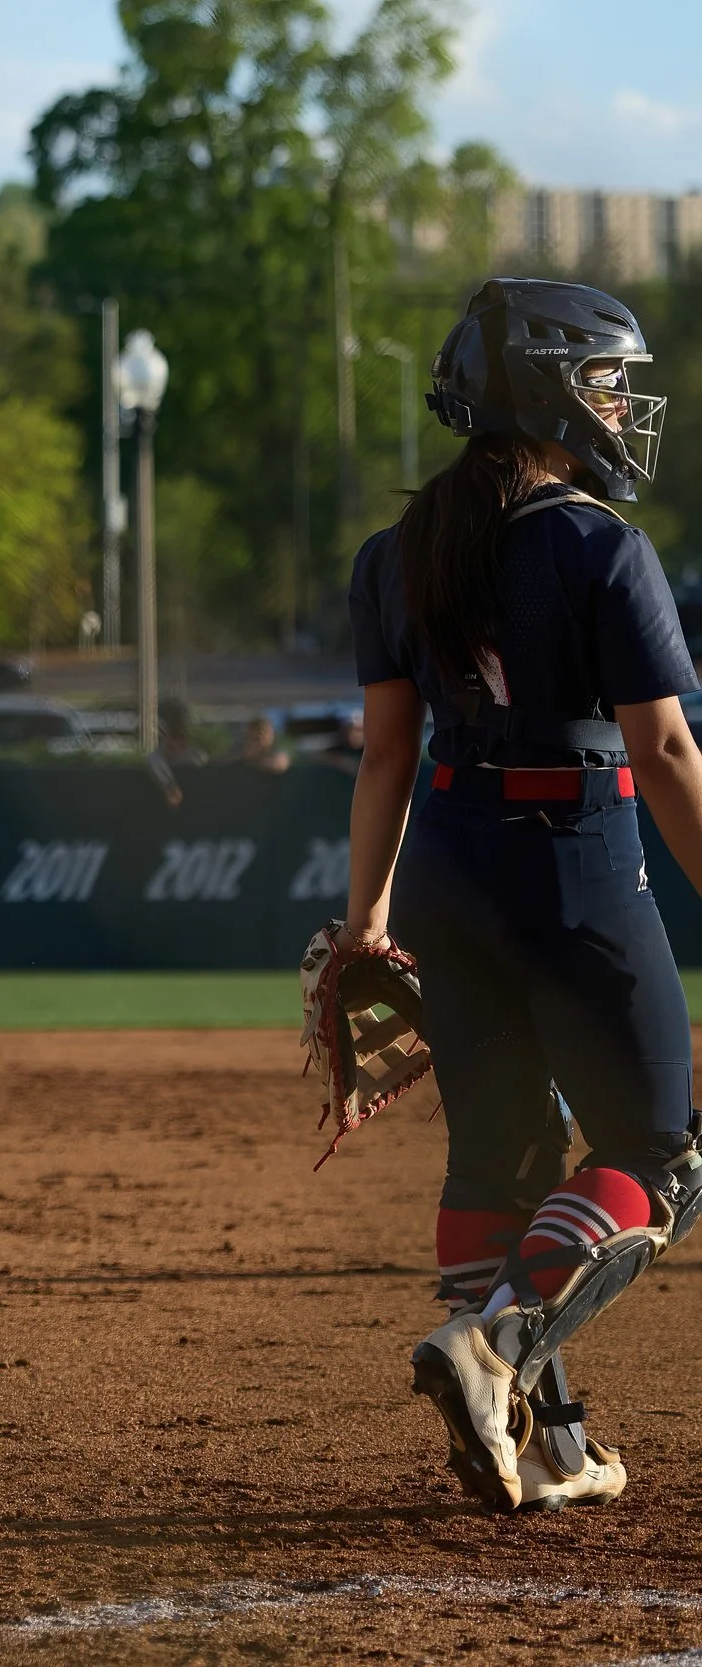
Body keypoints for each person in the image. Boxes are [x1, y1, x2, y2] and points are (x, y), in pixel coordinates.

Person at [340, 278, 701, 1514]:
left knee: (500, 1153)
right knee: (658, 1151)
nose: (615, 401)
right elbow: (661, 754)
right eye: (603, 378)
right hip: (573, 854)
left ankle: (543, 1434)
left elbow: (386, 753)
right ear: (545, 388)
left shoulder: (395, 554)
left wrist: (367, 919)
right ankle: (490, 1346)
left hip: (445, 860)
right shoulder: (600, 541)